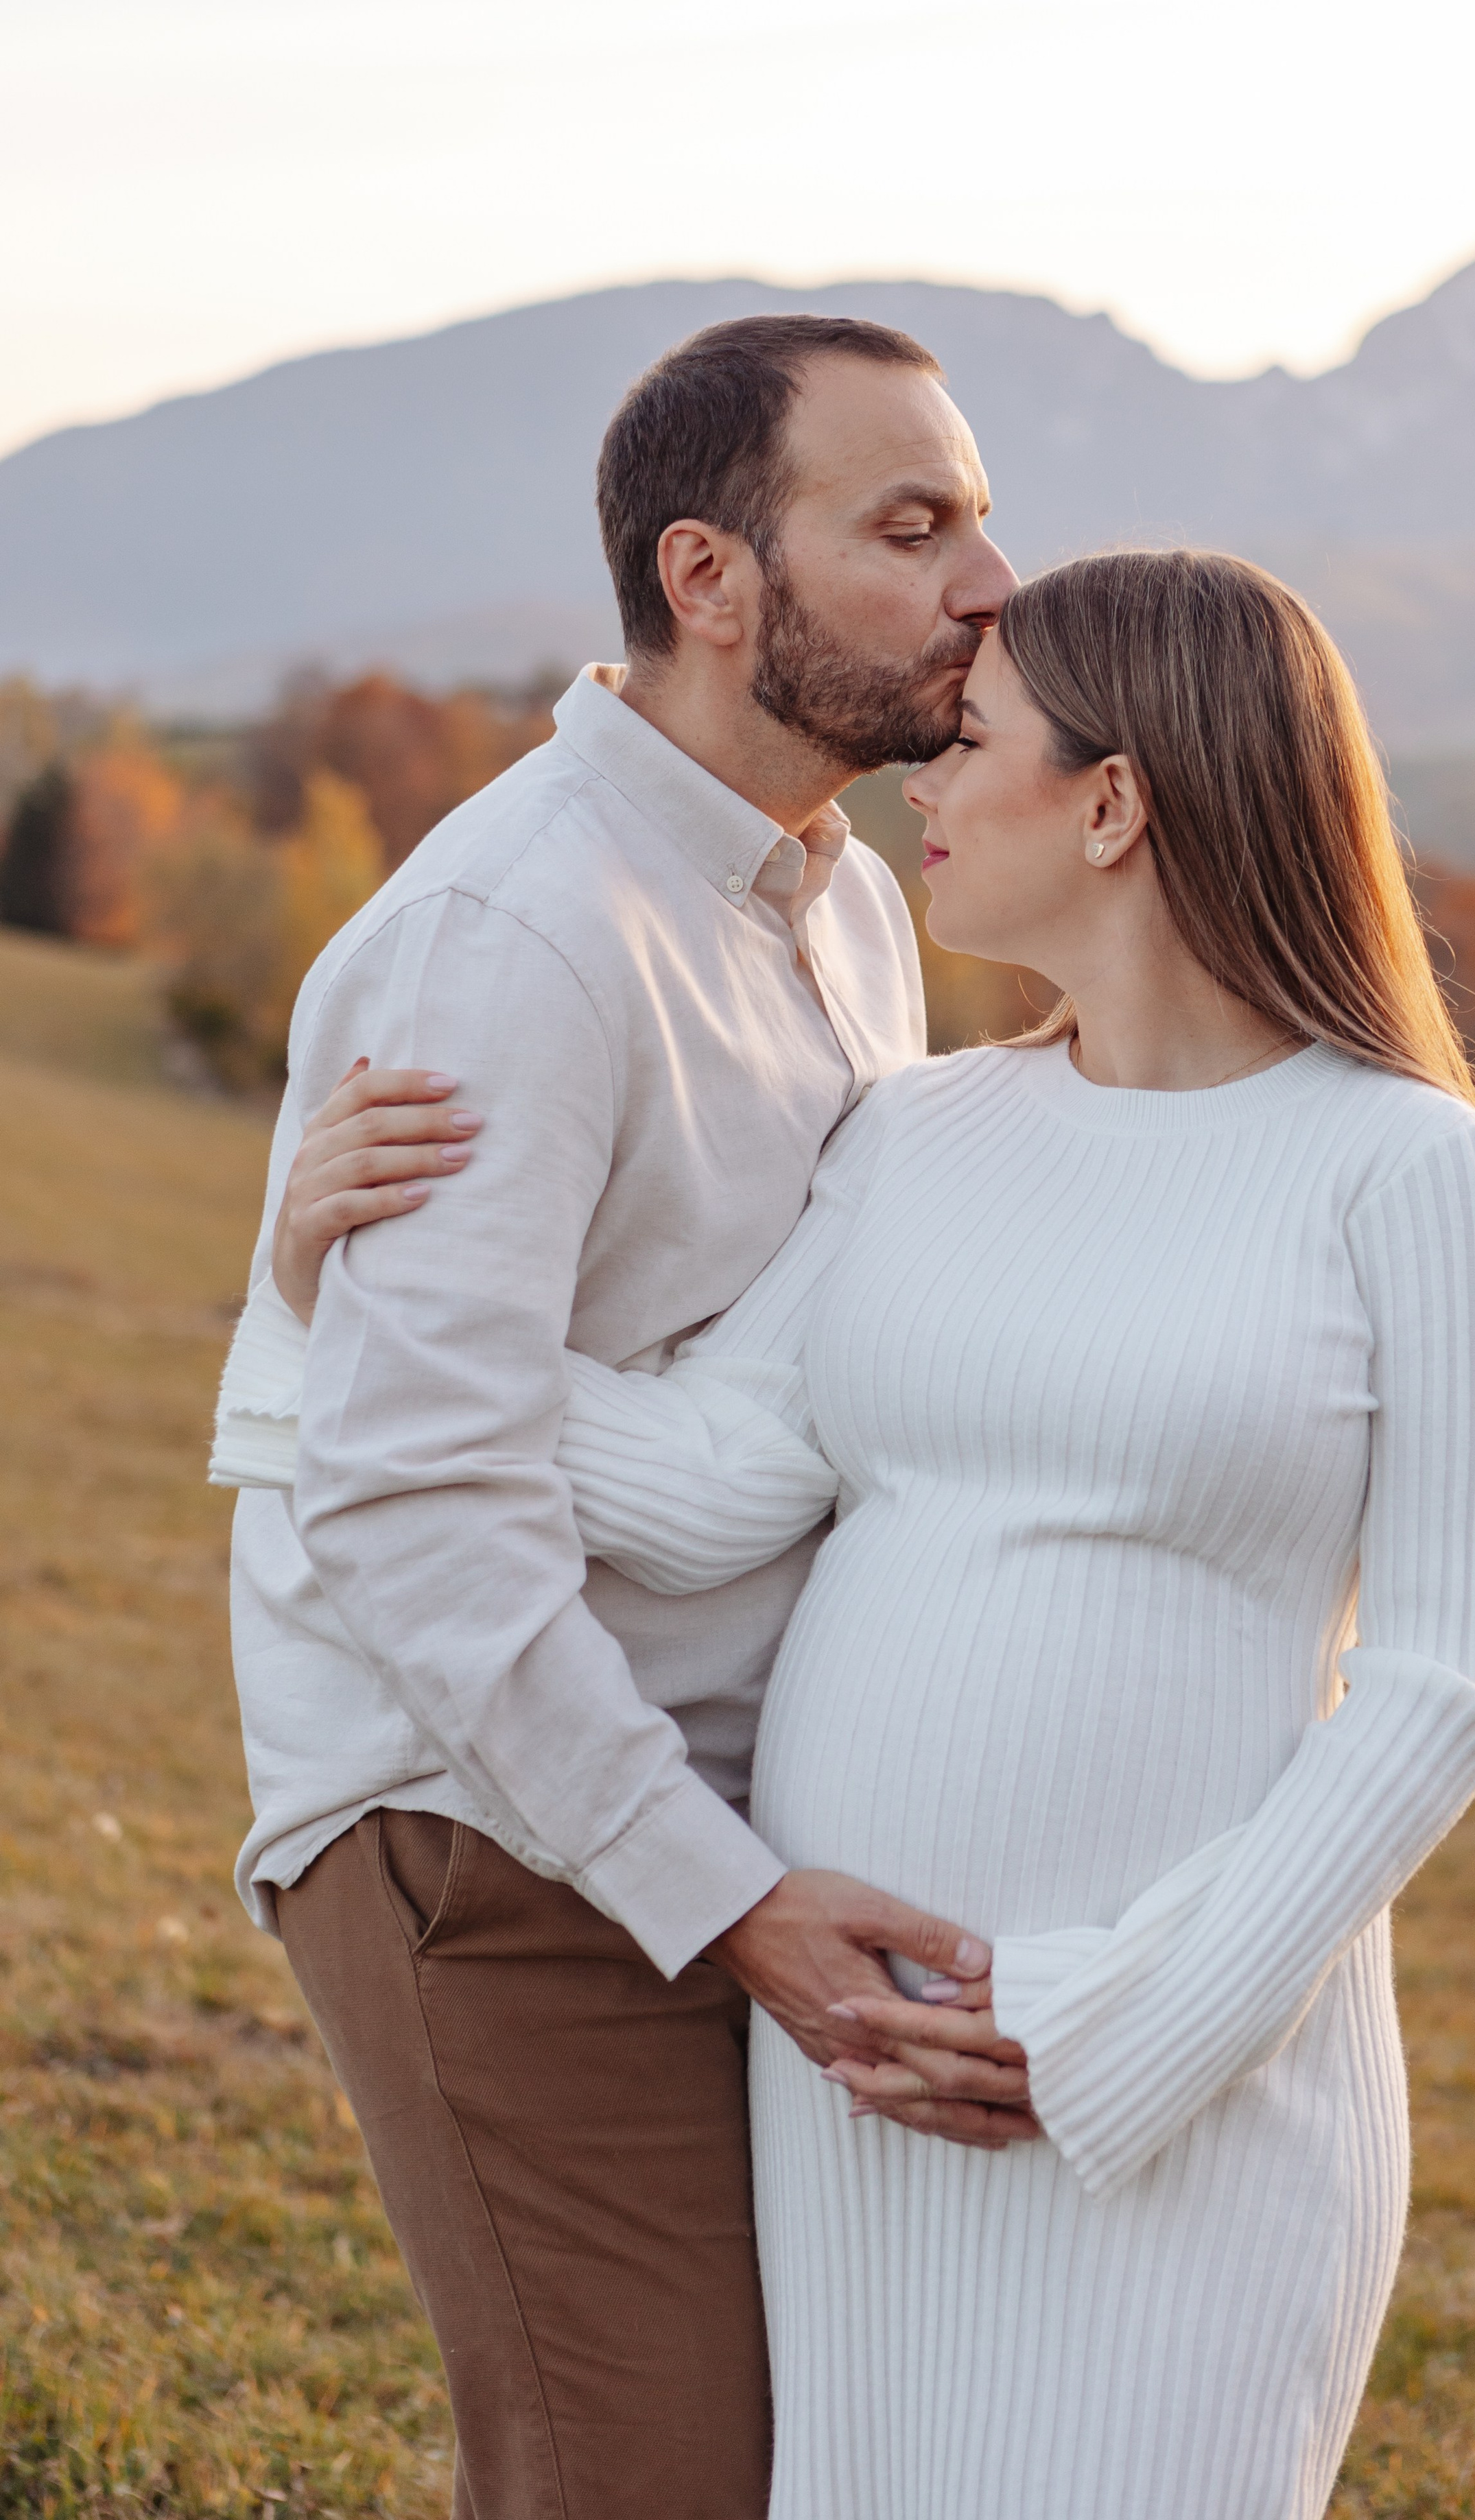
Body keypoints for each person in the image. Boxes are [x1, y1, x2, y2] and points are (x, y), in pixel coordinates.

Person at [220, 545, 1475, 2519]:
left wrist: (1112, 2029)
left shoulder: (1412, 1170)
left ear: (1112, 804)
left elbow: (1447, 1685)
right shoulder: (921, 1133)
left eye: (977, 742)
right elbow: (709, 1478)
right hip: (859, 2072)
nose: (920, 777)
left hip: (1170, 2085)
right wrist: (334, 1302)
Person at [211, 311, 1020, 2520]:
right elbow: (410, 1510)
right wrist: (731, 1899)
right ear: (708, 579)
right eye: (913, 524)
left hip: (697, 1822)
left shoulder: (849, 904)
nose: (987, 586)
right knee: (637, 2476)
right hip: (493, 1832)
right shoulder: (523, 931)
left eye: (980, 516)